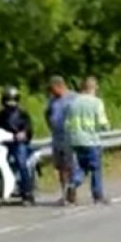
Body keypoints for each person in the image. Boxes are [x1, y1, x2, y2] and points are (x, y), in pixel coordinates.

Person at [64, 76, 111, 205]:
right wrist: (107, 127)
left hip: (76, 141)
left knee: (83, 166)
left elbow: (67, 124)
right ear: (92, 88)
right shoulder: (96, 102)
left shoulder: (72, 103)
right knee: (95, 168)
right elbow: (102, 122)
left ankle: (73, 183)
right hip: (91, 140)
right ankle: (98, 196)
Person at [0, 86, 35, 205]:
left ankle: (27, 192)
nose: (10, 103)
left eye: (13, 99)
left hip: (18, 143)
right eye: (8, 100)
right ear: (3, 100)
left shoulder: (22, 114)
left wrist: (24, 133)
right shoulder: (0, 115)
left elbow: (29, 128)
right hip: (3, 143)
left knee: (21, 162)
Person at [45, 75, 76, 204]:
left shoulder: (73, 98)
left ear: (59, 86)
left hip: (70, 137)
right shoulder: (52, 100)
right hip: (57, 137)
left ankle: (72, 192)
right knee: (60, 167)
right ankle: (64, 193)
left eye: (53, 89)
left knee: (70, 166)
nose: (51, 92)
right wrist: (50, 125)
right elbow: (47, 113)